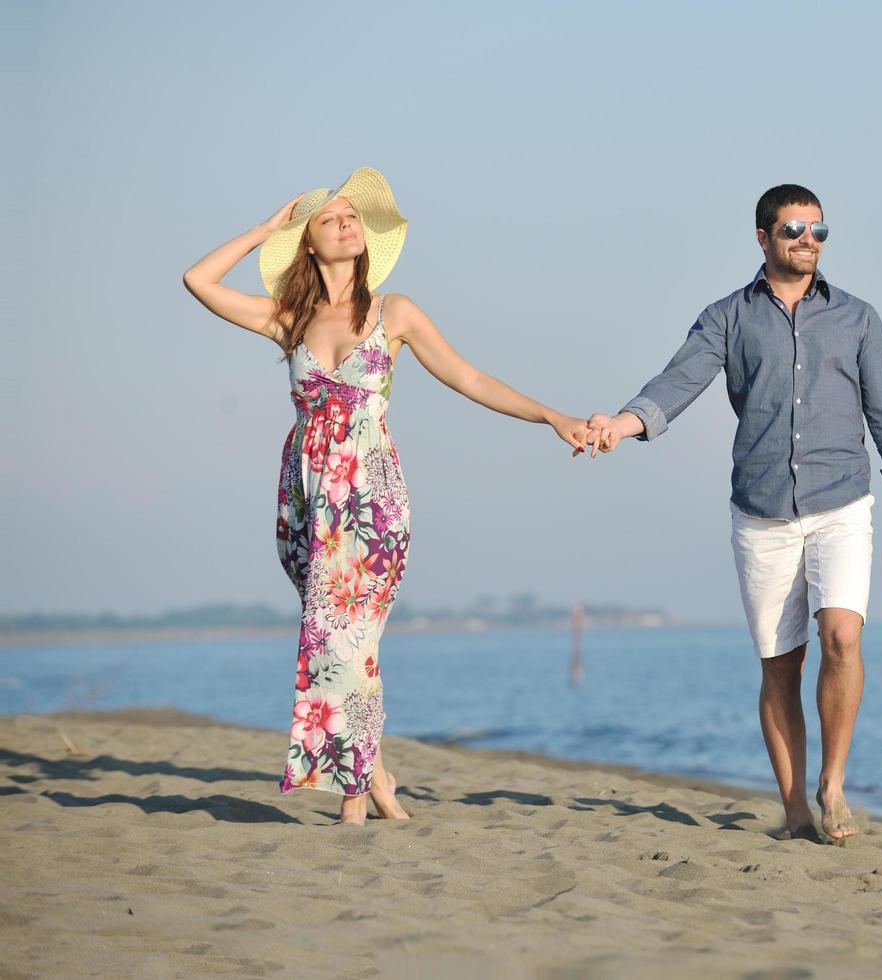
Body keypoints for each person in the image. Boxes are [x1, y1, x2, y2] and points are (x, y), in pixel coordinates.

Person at [183, 168, 589, 825]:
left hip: (370, 498)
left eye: (353, 218)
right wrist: (264, 230)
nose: (347, 224)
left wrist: (551, 417)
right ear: (308, 243)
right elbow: (197, 281)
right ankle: (375, 777)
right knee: (337, 640)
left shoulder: (393, 311)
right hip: (307, 501)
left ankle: (354, 799)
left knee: (349, 639)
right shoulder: (287, 318)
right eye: (329, 220)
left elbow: (469, 376)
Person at [585, 185, 882, 842]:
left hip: (842, 501)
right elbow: (678, 382)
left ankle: (832, 786)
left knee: (841, 635)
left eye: (817, 230)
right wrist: (622, 423)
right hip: (760, 512)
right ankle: (795, 812)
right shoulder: (726, 317)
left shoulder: (857, 318)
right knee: (782, 663)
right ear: (761, 237)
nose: (806, 241)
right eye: (792, 230)